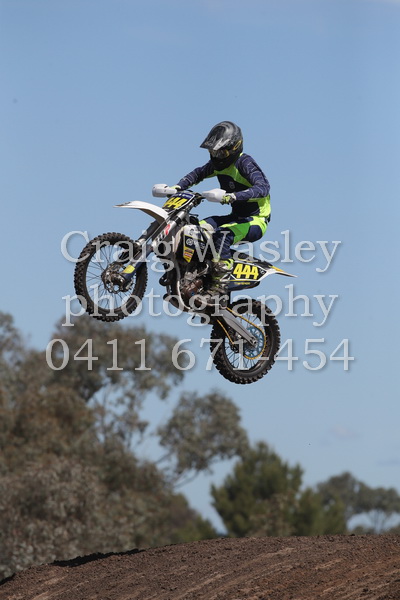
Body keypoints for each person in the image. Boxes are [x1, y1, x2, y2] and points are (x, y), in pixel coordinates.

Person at [173, 121, 271, 308]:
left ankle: (219, 287)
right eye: (214, 152)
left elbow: (263, 188)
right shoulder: (217, 165)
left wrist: (233, 196)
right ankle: (197, 275)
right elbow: (198, 174)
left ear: (234, 148)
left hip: (256, 221)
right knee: (197, 229)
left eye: (221, 153)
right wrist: (177, 187)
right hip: (236, 217)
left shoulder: (244, 163)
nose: (216, 156)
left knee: (222, 236)